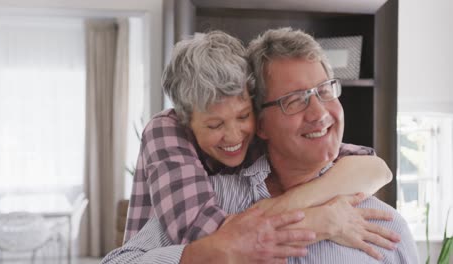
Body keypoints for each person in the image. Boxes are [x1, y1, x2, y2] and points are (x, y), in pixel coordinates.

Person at [103, 28, 419, 263]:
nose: (320, 114)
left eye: (324, 90)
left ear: (252, 116)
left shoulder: (387, 228)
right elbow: (206, 236)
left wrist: (292, 206)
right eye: (295, 101)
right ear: (264, 122)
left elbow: (369, 164)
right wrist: (316, 222)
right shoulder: (201, 180)